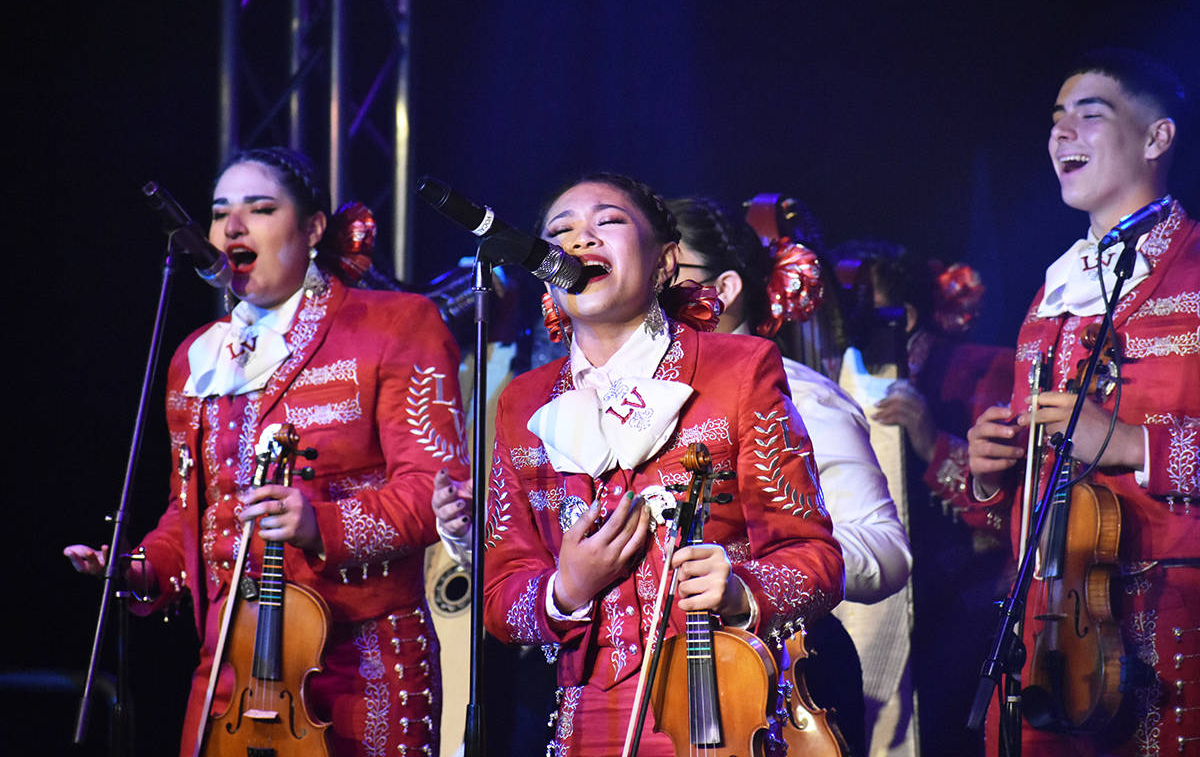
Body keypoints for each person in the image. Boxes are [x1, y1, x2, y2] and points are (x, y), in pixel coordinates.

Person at [65, 146, 470, 757]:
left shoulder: (395, 324)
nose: (232, 226)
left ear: (311, 228)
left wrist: (321, 524)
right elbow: (193, 516)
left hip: (358, 662)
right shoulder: (196, 357)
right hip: (231, 667)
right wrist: (140, 568)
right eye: (220, 211)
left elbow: (432, 491)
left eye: (259, 208)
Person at [481, 173, 844, 756]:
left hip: (725, 703)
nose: (580, 241)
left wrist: (741, 587)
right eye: (560, 231)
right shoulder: (523, 402)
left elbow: (818, 558)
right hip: (589, 721)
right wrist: (564, 590)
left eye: (609, 222)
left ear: (664, 262)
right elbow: (499, 596)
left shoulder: (740, 368)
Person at [963, 49, 1198, 755]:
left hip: (1175, 619)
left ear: (1157, 138)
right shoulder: (1050, 296)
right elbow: (1019, 501)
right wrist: (990, 468)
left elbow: (1121, 441)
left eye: (1089, 116)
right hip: (1052, 629)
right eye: (1056, 119)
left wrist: (1131, 445)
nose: (1061, 133)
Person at [670, 196, 911, 755]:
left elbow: (887, 549)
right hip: (668, 687)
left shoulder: (797, 395)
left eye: (670, 274)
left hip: (785, 678)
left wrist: (758, 569)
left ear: (724, 290)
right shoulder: (630, 407)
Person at [833, 239, 1015, 756]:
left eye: (864, 305)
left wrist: (929, 439)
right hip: (895, 596)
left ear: (905, 315)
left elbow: (1012, 512)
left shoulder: (986, 367)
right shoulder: (843, 378)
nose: (852, 320)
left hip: (966, 603)